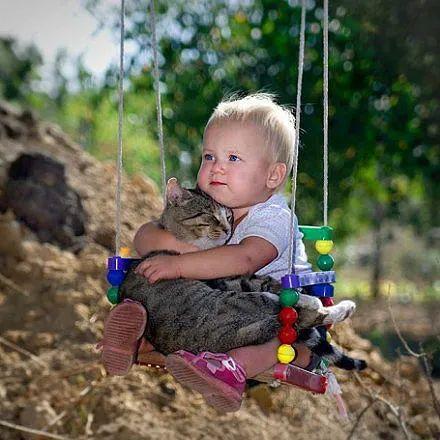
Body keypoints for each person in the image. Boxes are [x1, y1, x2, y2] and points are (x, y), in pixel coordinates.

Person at [104, 93, 316, 411]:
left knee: (282, 341)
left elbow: (246, 259)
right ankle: (136, 337)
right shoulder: (213, 204)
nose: (216, 168)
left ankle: (231, 369)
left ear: (273, 175)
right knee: (163, 292)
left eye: (233, 158)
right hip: (226, 306)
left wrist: (179, 265)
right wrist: (176, 247)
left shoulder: (273, 216)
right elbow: (145, 236)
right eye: (208, 157)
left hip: (285, 307)